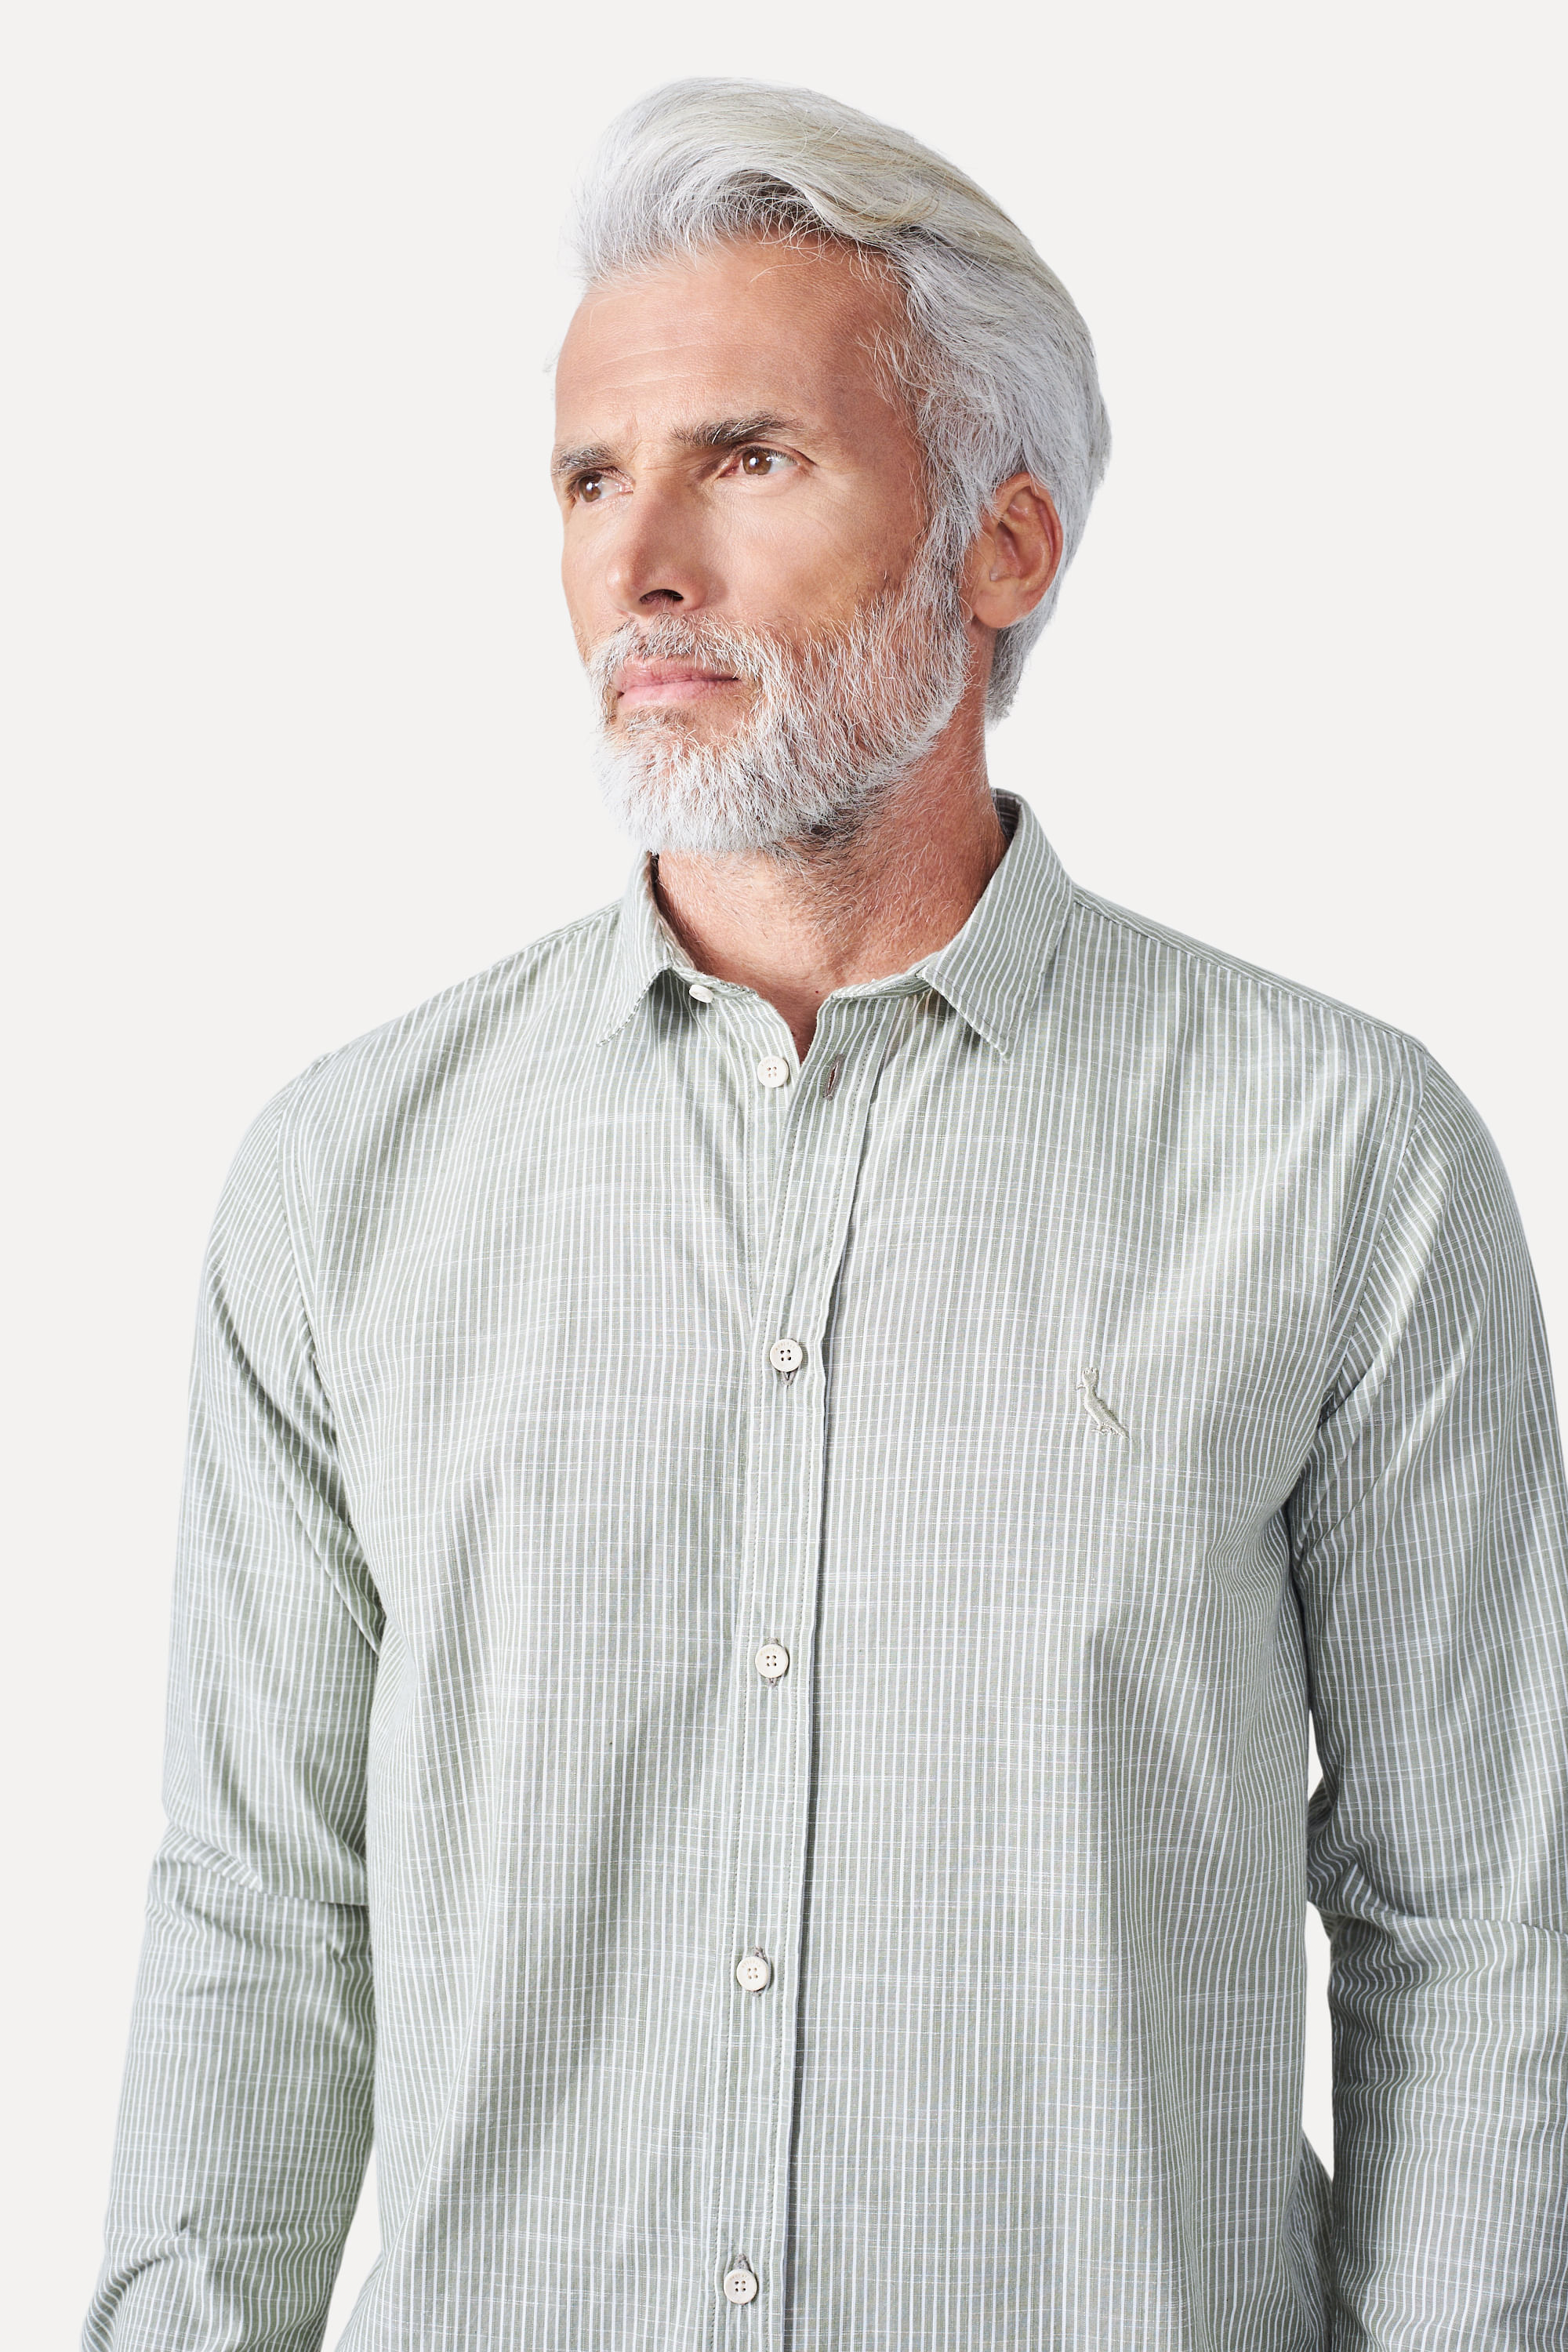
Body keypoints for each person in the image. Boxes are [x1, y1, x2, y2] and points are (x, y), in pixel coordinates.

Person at [85, 76, 1566, 2352]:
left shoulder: (1341, 1161)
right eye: (592, 478)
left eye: (748, 459)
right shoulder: (348, 1180)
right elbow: (260, 1918)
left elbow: (1475, 1926)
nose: (639, 566)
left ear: (1007, 547)